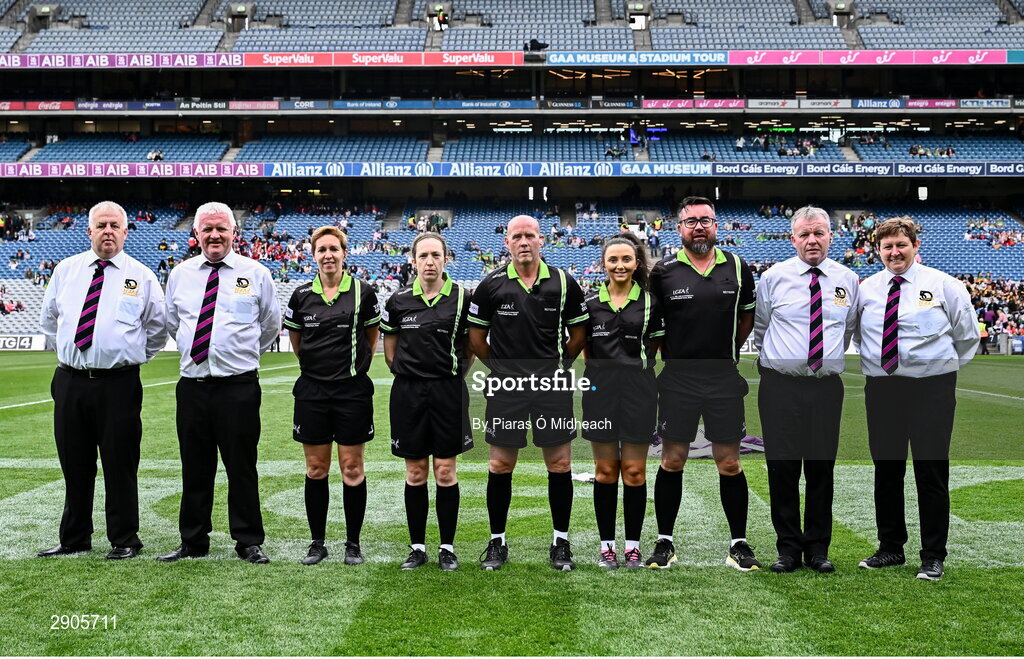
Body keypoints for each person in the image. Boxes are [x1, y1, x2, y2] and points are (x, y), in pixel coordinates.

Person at [37, 201, 166, 560]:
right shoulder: (66, 270)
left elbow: (157, 330)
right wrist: (73, 352)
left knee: (119, 462)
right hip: (70, 381)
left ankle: (125, 538)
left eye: (115, 225)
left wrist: (127, 356)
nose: (108, 230)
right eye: (101, 224)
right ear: (89, 231)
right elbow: (50, 320)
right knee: (74, 462)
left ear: (126, 232)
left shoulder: (142, 276)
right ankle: (75, 536)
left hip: (119, 384)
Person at [854, 216, 979, 581]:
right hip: (883, 387)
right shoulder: (867, 289)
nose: (895, 252)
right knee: (887, 470)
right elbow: (862, 337)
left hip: (931, 388)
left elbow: (966, 336)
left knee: (931, 470)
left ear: (915, 246)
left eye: (901, 245)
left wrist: (936, 368)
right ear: (877, 251)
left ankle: (933, 555)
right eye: (887, 246)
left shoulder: (944, 285)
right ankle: (891, 548)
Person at [158, 202, 281, 564]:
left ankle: (248, 541)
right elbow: (172, 323)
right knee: (195, 466)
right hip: (193, 385)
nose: (214, 235)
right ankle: (193, 540)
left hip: (238, 387)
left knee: (241, 465)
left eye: (221, 229)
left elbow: (269, 326)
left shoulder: (256, 273)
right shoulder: (180, 274)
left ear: (233, 233)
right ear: (195, 234)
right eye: (207, 229)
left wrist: (235, 356)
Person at [468, 215, 589, 571]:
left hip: (552, 386)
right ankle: (497, 542)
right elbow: (476, 339)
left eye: (530, 236)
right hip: (507, 388)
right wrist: (503, 370)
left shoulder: (564, 283)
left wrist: (561, 365)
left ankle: (561, 542)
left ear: (542, 241)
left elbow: (578, 333)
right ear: (507, 243)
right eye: (517, 236)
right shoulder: (490, 285)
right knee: (500, 464)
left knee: (560, 464)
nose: (523, 241)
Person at [647, 196, 760, 570]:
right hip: (678, 379)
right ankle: (665, 542)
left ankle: (739, 544)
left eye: (705, 220)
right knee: (672, 460)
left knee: (728, 462)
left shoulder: (738, 267)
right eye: (690, 221)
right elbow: (655, 329)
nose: (699, 226)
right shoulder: (662, 273)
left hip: (723, 379)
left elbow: (744, 324)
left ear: (716, 225)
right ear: (678, 228)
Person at [752, 206, 860, 574]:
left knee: (820, 469)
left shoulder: (848, 279)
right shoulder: (773, 278)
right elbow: (762, 328)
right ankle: (787, 549)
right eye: (804, 234)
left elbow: (845, 331)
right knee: (781, 469)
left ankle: (817, 548)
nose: (812, 240)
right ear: (793, 238)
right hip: (780, 386)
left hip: (825, 387)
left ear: (832, 235)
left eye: (819, 233)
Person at [282, 225, 380, 566]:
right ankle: (317, 542)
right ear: (313, 255)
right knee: (316, 468)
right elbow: (297, 344)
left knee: (352, 468)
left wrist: (347, 369)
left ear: (344, 253)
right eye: (321, 250)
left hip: (352, 391)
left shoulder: (363, 292)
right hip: (313, 392)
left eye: (333, 249)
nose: (328, 255)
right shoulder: (300, 296)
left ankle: (352, 544)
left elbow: (371, 337)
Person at [381, 232, 473, 571]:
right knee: (416, 472)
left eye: (436, 255)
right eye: (424, 256)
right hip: (408, 393)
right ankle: (417, 547)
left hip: (448, 391)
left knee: (446, 472)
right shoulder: (398, 300)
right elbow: (390, 352)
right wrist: (411, 374)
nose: (430, 261)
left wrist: (450, 375)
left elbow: (471, 348)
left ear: (446, 259)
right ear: (413, 260)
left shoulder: (464, 297)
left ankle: (447, 547)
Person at [582, 233, 663, 569]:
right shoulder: (589, 304)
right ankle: (606, 548)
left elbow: (655, 351)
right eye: (612, 260)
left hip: (639, 393)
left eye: (626, 259)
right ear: (603, 264)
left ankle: (631, 547)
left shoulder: (650, 303)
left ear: (636, 263)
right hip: (600, 392)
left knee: (633, 472)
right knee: (604, 472)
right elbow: (586, 352)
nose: (619, 265)